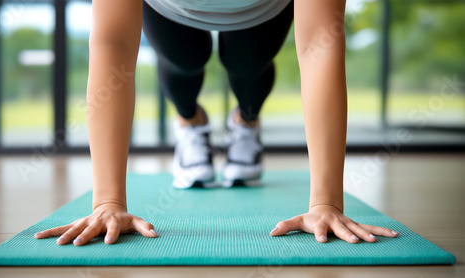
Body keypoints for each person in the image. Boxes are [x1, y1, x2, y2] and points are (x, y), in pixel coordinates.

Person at [35, 0, 399, 246]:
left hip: (260, 10)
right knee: (184, 62)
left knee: (246, 67)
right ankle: (190, 121)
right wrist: (107, 202)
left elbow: (320, 45)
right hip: (172, 10)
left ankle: (246, 122)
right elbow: (113, 44)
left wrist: (327, 204)